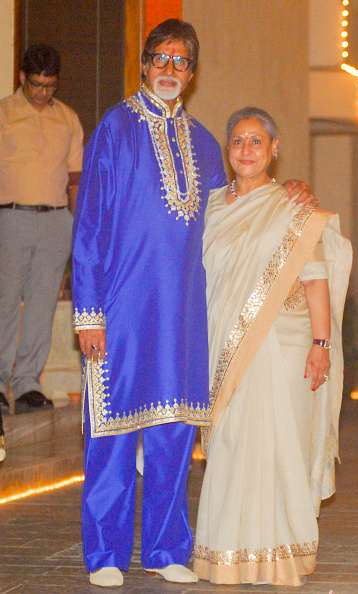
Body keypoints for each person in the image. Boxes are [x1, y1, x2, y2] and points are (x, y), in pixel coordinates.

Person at [72, 19, 315, 588]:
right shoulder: (114, 130)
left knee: (175, 436)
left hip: (184, 320)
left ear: (192, 72)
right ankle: (104, 555)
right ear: (144, 64)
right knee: (111, 435)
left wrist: (295, 192)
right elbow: (89, 228)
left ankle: (164, 547)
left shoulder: (206, 143)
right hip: (121, 315)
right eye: (161, 58)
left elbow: (246, 203)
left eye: (182, 62)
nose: (170, 70)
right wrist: (89, 313)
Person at [193, 107, 352, 586]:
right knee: (230, 444)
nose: (246, 150)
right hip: (223, 345)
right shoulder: (212, 206)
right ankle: (225, 552)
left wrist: (321, 343)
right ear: (228, 149)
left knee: (281, 443)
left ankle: (281, 554)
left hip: (285, 345)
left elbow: (316, 278)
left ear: (274, 149)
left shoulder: (291, 206)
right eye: (238, 141)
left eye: (256, 141)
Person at [0, 43, 83, 420]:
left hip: (55, 222)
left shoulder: (68, 119)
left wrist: (77, 224)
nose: (43, 93)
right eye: (36, 84)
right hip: (11, 217)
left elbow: (75, 181)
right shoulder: (3, 114)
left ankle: (28, 383)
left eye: (50, 85)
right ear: (22, 78)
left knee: (41, 305)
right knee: (4, 302)